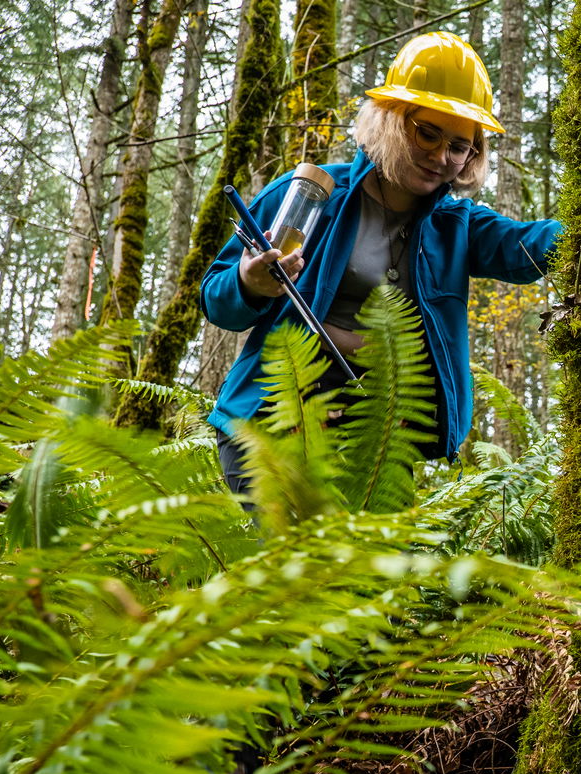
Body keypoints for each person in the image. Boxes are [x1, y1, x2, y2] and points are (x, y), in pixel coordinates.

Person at [200, 30, 560, 493]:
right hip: (272, 422)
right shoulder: (310, 193)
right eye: (427, 133)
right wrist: (249, 284)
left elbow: (529, 244)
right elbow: (216, 299)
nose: (440, 156)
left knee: (374, 568)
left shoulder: (459, 225)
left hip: (377, 443)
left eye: (459, 146)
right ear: (390, 121)